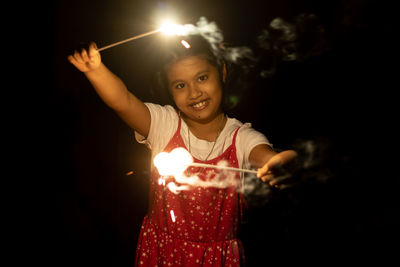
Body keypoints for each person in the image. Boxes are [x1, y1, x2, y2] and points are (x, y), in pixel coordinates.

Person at [68, 35, 297, 266]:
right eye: (180, 85)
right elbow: (123, 101)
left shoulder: (241, 138)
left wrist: (280, 163)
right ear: (169, 89)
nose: (194, 93)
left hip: (217, 260)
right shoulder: (164, 124)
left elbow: (266, 156)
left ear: (223, 72)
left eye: (202, 78)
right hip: (160, 251)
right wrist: (95, 70)